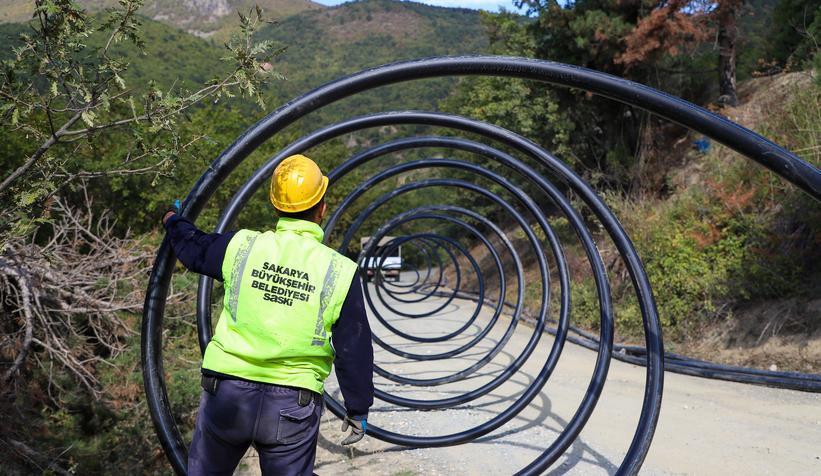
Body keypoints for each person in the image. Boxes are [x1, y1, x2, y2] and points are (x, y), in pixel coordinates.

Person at [161, 154, 374, 476]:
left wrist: (172, 220)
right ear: (322, 208)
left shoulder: (243, 247)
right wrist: (358, 408)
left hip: (228, 394)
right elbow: (353, 348)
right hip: (292, 404)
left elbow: (192, 248)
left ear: (275, 208)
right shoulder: (340, 270)